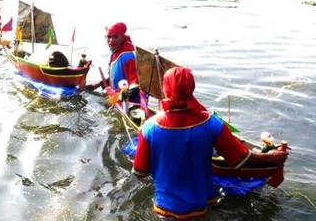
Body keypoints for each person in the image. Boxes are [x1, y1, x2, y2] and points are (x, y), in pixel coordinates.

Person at [132, 66, 289, 220]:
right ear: (192, 88)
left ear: (166, 89)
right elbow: (240, 159)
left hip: (165, 207)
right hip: (200, 204)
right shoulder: (211, 124)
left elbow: (141, 171)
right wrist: (270, 157)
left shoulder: (149, 127)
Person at [85, 22, 140, 103]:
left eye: (115, 37)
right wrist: (98, 85)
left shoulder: (127, 57)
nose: (111, 40)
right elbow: (117, 76)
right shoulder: (114, 54)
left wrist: (122, 98)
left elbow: (136, 82)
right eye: (109, 37)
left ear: (122, 38)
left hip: (128, 101)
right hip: (117, 96)